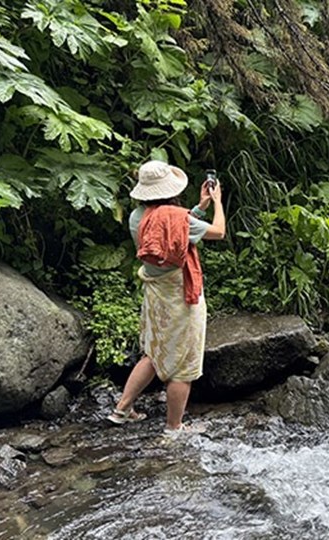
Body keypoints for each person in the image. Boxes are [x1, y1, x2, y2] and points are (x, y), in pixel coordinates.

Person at [106, 160, 225, 434]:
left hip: (155, 293)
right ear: (170, 190)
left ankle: (122, 409)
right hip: (180, 295)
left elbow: (175, 230)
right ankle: (174, 427)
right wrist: (216, 202)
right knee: (183, 363)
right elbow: (218, 232)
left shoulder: (138, 216)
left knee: (154, 352)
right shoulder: (178, 218)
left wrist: (199, 208)